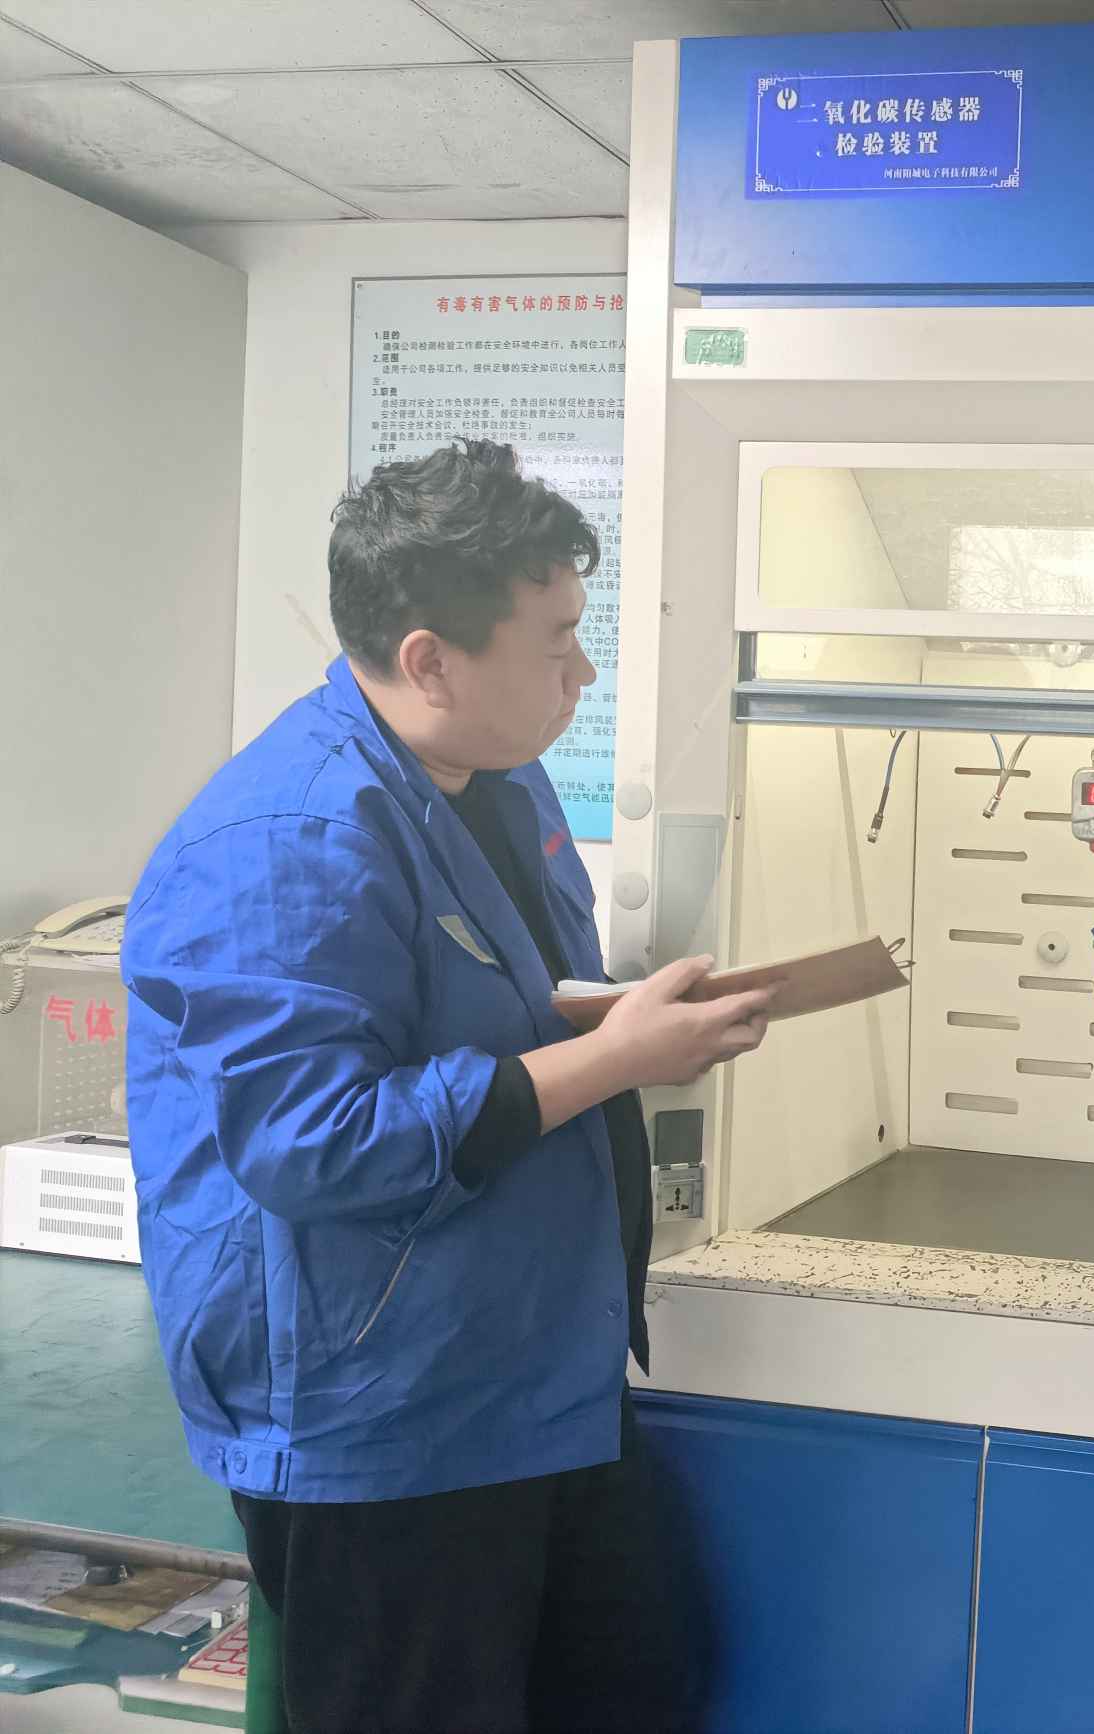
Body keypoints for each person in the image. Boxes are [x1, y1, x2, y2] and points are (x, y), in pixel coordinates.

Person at [123, 440, 770, 1733]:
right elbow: (313, 1141)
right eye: (557, 641)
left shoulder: (497, 780)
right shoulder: (293, 835)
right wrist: (619, 1057)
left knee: (641, 1679)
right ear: (430, 661)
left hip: (530, 1372)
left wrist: (628, 1017)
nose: (582, 673)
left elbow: (509, 1006)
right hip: (382, 1412)